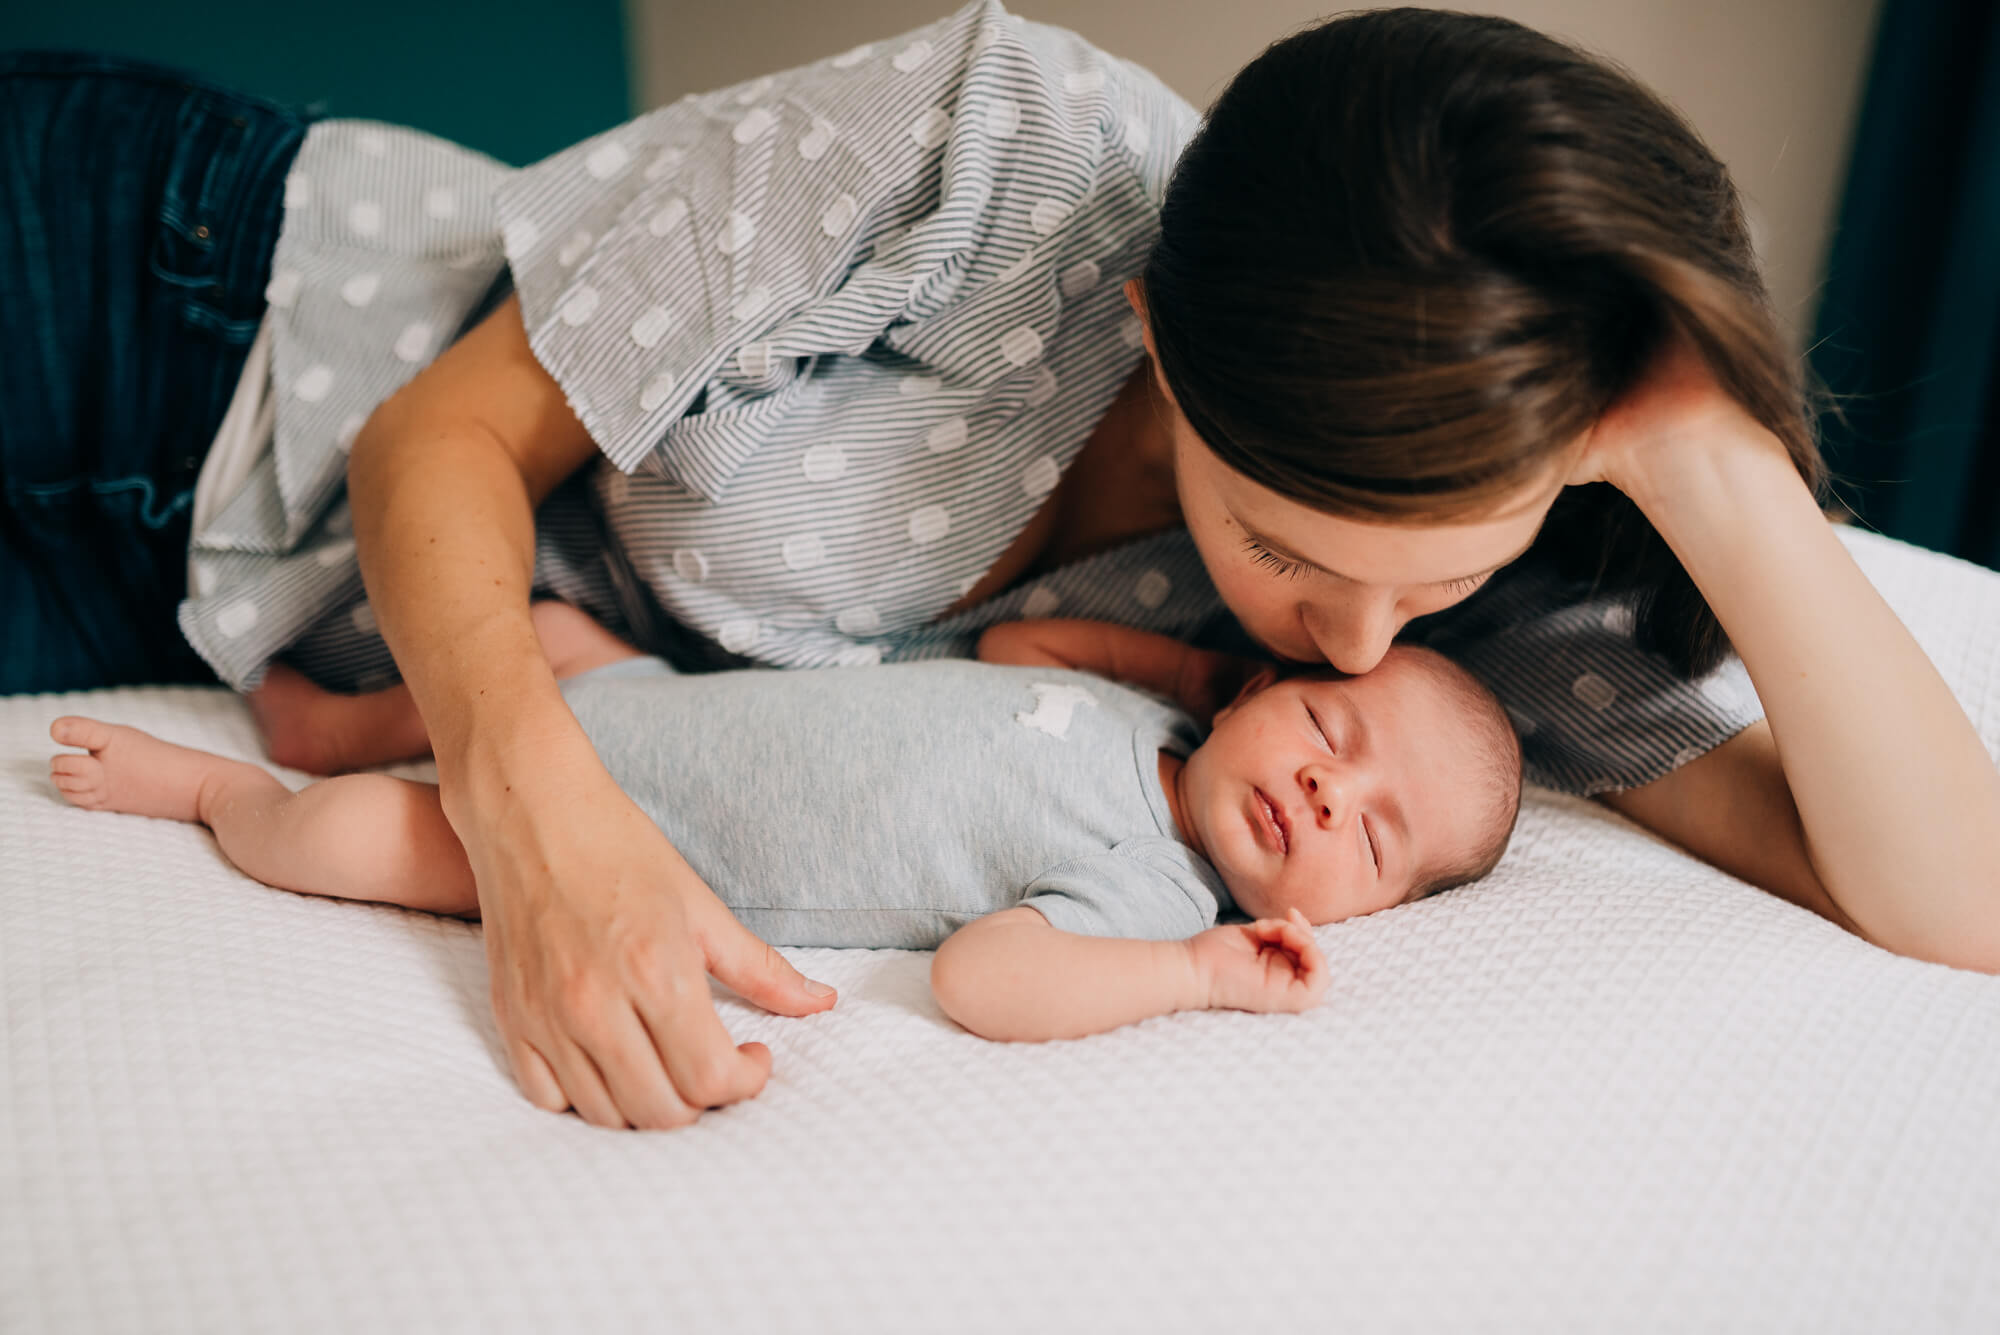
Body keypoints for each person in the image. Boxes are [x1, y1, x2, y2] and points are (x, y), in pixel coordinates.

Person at [6, 2, 1997, 1129]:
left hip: (171, 608)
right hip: (165, 298)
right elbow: (435, 438)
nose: (1353, 635)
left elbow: (1955, 901)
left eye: (1424, 583)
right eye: (1285, 551)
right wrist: (538, 832)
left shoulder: (1447, 583)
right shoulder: (1000, 142)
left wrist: (1706, 454)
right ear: (1154, 324)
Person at [44, 603, 1525, 1042]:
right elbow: (1008, 657)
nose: (1331, 789)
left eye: (1372, 839)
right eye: (1332, 731)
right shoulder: (1161, 725)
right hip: (647, 701)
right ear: (1264, 686)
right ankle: (337, 719)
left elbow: (985, 979)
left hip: (630, 847)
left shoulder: (1156, 891)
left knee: (351, 840)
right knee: (537, 629)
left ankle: (234, 789)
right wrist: (1200, 675)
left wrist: (1197, 975)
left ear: (1355, 915)